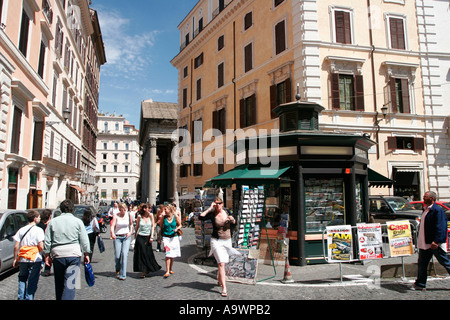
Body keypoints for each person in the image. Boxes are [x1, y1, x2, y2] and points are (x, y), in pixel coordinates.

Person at [43, 199, 91, 300]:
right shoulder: (78, 222)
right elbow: (84, 239)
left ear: (60, 209)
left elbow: (47, 240)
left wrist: (47, 255)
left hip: (58, 254)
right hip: (73, 255)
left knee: (59, 283)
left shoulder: (53, 222)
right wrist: (87, 253)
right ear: (72, 209)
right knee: (71, 284)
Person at [199, 197, 240, 297]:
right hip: (216, 241)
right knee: (221, 263)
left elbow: (235, 224)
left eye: (219, 203)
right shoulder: (212, 214)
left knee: (223, 263)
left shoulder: (227, 211)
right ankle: (224, 288)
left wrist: (233, 220)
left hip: (227, 240)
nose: (218, 205)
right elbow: (201, 217)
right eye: (216, 203)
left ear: (222, 204)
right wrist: (209, 208)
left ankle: (219, 278)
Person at [412, 191, 450, 290]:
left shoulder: (437, 210)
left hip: (434, 243)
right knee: (422, 264)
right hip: (425, 243)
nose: (423, 199)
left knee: (445, 262)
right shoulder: (425, 209)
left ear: (432, 199)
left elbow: (441, 227)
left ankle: (420, 283)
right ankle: (420, 283)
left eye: (425, 197)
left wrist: (436, 241)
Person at [13, 210, 45, 300]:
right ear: (35, 219)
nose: (40, 218)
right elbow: (41, 245)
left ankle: (20, 297)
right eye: (38, 217)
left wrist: (15, 259)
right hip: (35, 258)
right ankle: (29, 298)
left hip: (23, 258)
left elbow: (16, 246)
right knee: (32, 281)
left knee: (22, 278)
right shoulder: (39, 230)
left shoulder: (21, 230)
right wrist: (45, 256)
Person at [133, 203, 161, 278]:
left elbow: (153, 226)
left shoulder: (151, 215)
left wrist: (152, 236)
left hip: (148, 237)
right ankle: (143, 271)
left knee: (147, 253)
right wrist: (135, 234)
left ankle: (147, 268)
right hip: (140, 237)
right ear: (144, 209)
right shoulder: (139, 216)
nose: (150, 209)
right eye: (148, 208)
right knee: (141, 253)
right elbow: (137, 226)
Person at [110, 202, 133, 280]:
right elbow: (112, 225)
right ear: (120, 209)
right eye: (122, 210)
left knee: (124, 254)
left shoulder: (128, 215)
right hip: (117, 237)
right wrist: (112, 233)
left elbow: (131, 224)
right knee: (117, 255)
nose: (124, 211)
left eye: (124, 209)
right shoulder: (116, 216)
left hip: (126, 237)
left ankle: (123, 274)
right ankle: (118, 269)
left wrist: (130, 232)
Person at [158, 204, 182, 278]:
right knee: (168, 254)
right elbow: (161, 227)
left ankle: (170, 268)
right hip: (166, 238)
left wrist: (177, 229)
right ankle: (167, 271)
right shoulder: (163, 218)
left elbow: (180, 225)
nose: (164, 211)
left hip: (174, 237)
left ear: (170, 210)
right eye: (164, 209)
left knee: (172, 254)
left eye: (166, 209)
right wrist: (159, 238)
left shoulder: (175, 217)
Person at [37, 209, 52, 276]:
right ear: (49, 216)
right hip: (46, 242)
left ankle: (41, 265)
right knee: (48, 256)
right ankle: (47, 269)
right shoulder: (50, 224)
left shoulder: (39, 224)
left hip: (40, 242)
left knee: (42, 255)